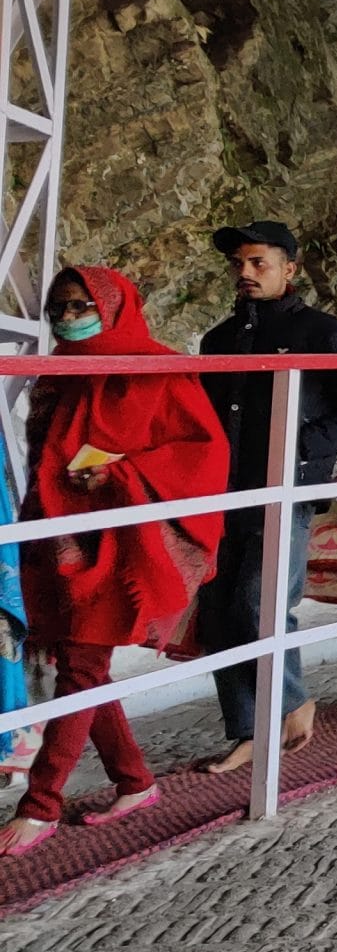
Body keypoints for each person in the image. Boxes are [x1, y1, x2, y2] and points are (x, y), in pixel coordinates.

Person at [0, 268, 228, 854]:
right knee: (84, 665)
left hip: (123, 541)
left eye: (82, 306)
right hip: (62, 533)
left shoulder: (156, 369)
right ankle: (135, 781)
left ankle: (41, 805)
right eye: (58, 307)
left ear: (115, 307)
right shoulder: (60, 372)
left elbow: (202, 453)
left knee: (80, 667)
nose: (68, 317)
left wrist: (121, 473)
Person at [193, 220, 337, 777]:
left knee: (261, 603)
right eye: (239, 264)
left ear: (289, 269)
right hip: (223, 493)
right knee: (218, 612)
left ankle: (292, 700)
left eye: (259, 263)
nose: (246, 273)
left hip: (287, 491)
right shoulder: (218, 340)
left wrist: (298, 448)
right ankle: (249, 731)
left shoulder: (324, 333)